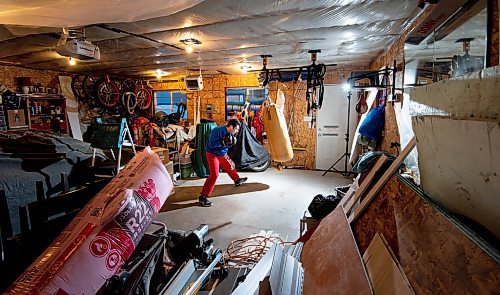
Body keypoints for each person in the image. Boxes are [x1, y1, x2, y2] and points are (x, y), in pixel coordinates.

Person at [199, 118, 247, 207]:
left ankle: (237, 180)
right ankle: (203, 196)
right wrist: (223, 143)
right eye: (236, 129)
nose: (236, 131)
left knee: (230, 165)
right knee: (214, 175)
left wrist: (229, 142)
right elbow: (211, 145)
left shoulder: (231, 133)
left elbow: (229, 143)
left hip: (222, 153)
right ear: (231, 126)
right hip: (212, 153)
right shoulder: (217, 131)